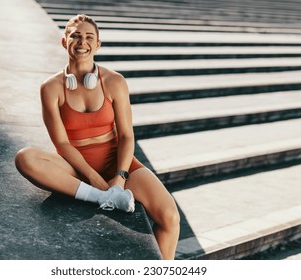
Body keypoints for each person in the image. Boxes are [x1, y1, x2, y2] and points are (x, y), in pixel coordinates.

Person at [14, 14, 180, 260]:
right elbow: (61, 143)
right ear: (64, 42)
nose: (82, 42)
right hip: (75, 167)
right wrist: (94, 179)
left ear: (98, 44)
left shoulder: (115, 82)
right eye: (76, 36)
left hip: (117, 164)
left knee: (170, 217)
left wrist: (120, 178)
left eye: (89, 37)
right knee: (24, 158)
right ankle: (100, 198)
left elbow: (125, 136)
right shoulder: (50, 87)